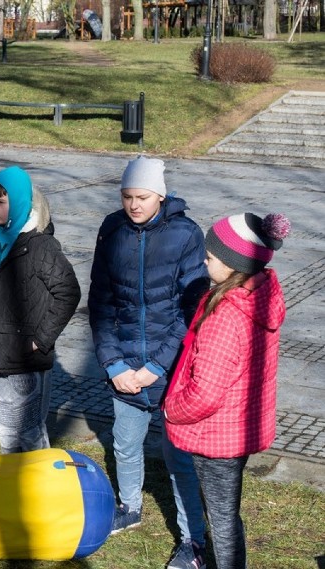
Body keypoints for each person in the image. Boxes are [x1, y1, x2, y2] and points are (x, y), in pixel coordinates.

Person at [87, 155, 210, 569]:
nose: (133, 205)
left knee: (178, 459)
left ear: (160, 194)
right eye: (126, 197)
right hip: (123, 362)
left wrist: (156, 367)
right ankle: (130, 506)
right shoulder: (112, 228)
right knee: (124, 443)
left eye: (141, 197)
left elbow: (190, 312)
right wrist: (113, 365)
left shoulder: (186, 234)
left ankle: (193, 541)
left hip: (169, 369)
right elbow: (100, 302)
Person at [164, 213, 290, 569]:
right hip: (238, 428)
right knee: (227, 513)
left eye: (211, 257)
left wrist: (173, 410)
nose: (204, 261)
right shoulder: (257, 296)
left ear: (234, 263)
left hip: (217, 437)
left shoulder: (226, 316)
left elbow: (205, 393)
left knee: (220, 520)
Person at [0, 166, 80, 453]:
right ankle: (13, 494)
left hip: (24, 361)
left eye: (1, 202)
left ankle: (39, 495)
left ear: (18, 202)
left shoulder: (40, 246)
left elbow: (68, 292)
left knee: (29, 435)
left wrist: (40, 339)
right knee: (6, 432)